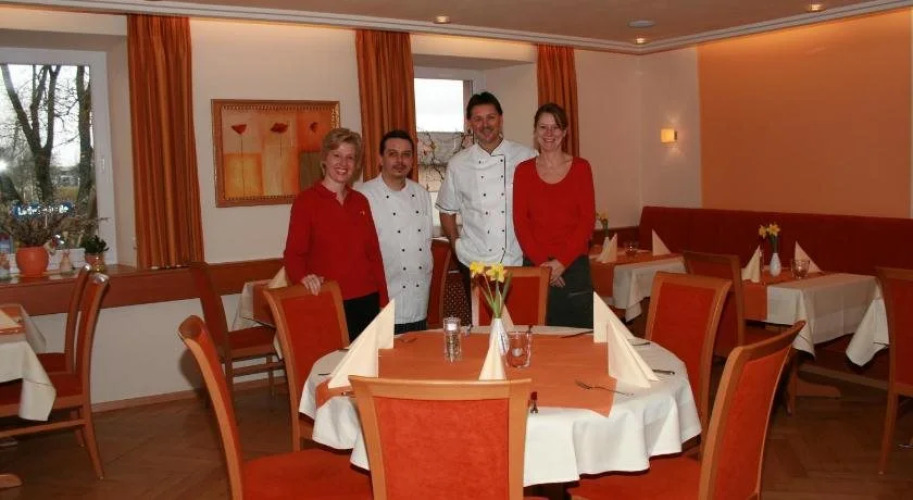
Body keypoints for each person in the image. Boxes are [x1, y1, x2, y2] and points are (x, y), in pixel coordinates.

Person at [283, 127, 389, 341]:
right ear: (324, 159)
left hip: (367, 300)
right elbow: (293, 255)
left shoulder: (361, 201)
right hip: (328, 301)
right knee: (333, 362)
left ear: (356, 164)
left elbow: (374, 255)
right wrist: (303, 277)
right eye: (337, 155)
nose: (343, 163)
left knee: (369, 362)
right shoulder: (306, 202)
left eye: (350, 157)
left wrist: (384, 302)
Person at [436, 91, 536, 275]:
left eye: (491, 117)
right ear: (469, 123)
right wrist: (456, 245)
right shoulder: (458, 163)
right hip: (475, 263)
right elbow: (446, 210)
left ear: (501, 119)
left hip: (518, 260)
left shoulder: (527, 156)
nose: (485, 125)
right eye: (478, 119)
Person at [513, 103, 595, 327]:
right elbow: (521, 223)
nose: (549, 133)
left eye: (555, 127)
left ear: (565, 132)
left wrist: (561, 263)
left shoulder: (581, 168)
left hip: (574, 268)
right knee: (535, 338)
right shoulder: (523, 171)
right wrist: (545, 266)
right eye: (543, 127)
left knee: (579, 340)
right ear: (535, 132)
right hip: (535, 267)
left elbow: (587, 221)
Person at [358, 130, 433, 334]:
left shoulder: (422, 194)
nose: (400, 161)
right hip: (382, 304)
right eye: (393, 154)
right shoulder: (363, 196)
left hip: (419, 301)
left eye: (406, 155)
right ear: (380, 159)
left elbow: (426, 243)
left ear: (412, 160)